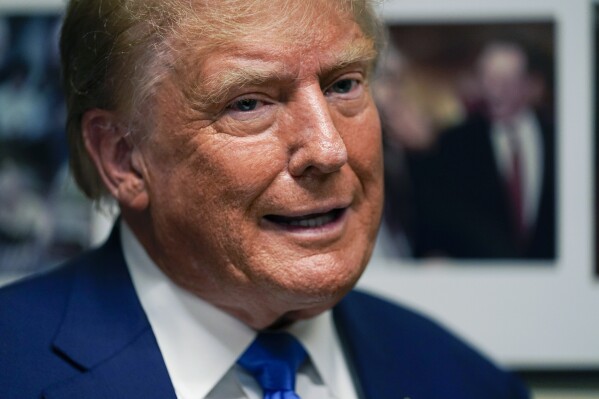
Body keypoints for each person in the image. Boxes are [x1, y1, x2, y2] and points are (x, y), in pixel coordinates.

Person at [0, 1, 529, 398]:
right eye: (249, 102)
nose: (329, 149)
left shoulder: (466, 381)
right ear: (122, 156)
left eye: (344, 85)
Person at [408, 40, 556, 259]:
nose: (495, 90)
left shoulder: (558, 139)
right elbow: (437, 218)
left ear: (530, 84)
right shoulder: (454, 143)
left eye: (506, 81)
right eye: (488, 79)